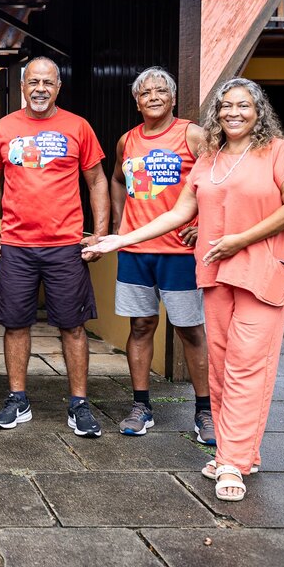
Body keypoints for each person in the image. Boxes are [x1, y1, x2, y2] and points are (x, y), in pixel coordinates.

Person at [85, 77, 284, 502]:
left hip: (262, 274)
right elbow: (179, 212)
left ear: (258, 110)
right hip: (217, 273)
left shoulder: (276, 151)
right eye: (226, 106)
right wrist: (119, 239)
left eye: (243, 106)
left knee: (247, 365)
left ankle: (230, 462)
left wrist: (240, 238)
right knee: (224, 365)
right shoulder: (210, 157)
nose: (233, 113)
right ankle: (240, 451)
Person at [0, 56, 110, 438]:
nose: (40, 89)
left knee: (73, 326)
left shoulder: (78, 127)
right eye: (33, 82)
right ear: (23, 86)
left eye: (48, 83)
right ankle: (17, 399)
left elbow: (98, 181)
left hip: (65, 244)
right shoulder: (3, 128)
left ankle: (79, 404)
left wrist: (100, 233)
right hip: (17, 245)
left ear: (58, 87)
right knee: (15, 323)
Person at [109, 67, 214, 442]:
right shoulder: (127, 141)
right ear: (136, 102)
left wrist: (207, 223)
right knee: (140, 326)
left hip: (179, 252)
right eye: (145, 93)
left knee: (190, 329)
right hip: (136, 251)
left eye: (160, 91)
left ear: (172, 98)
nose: (152, 97)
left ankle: (205, 411)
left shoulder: (192, 134)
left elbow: (219, 180)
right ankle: (141, 406)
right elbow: (117, 180)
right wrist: (120, 225)